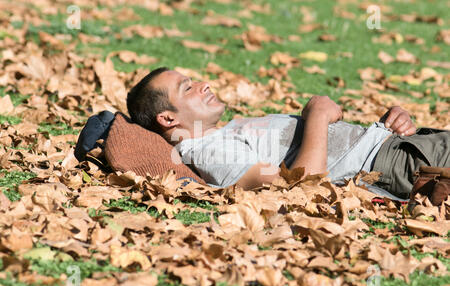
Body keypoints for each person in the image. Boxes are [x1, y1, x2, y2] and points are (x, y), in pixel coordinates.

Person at [126, 67, 450, 201]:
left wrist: (392, 125)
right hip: (398, 164)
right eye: (188, 88)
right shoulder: (210, 152)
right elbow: (302, 183)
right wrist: (317, 115)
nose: (203, 84)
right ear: (167, 118)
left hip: (402, 146)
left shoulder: (224, 133)